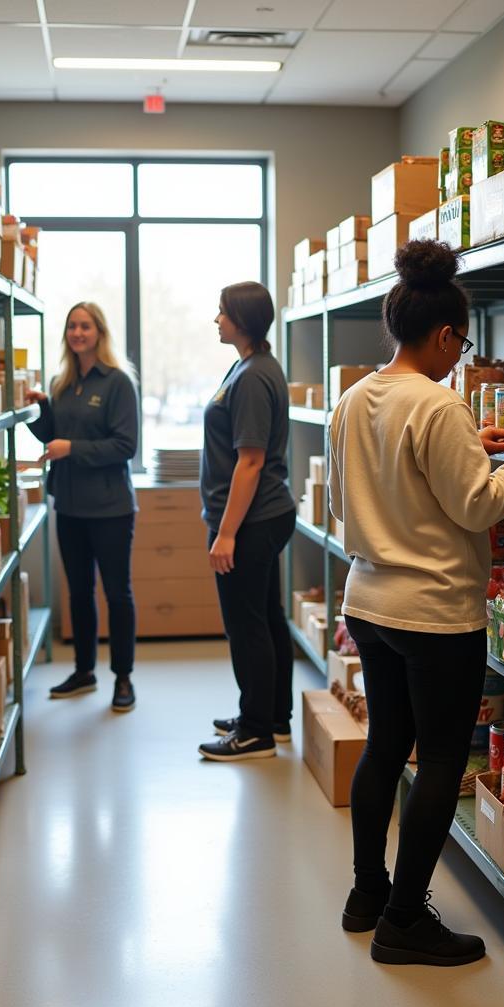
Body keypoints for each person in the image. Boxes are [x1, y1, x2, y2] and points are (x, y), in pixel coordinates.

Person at [327, 241, 504, 967]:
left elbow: (348, 498)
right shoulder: (439, 404)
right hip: (434, 615)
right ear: (443, 335)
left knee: (384, 748)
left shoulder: (352, 398)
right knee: (435, 760)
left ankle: (369, 894)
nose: (460, 357)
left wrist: (473, 444)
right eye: (460, 343)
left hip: (369, 602)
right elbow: (474, 506)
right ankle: (406, 921)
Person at [197, 281, 296, 762]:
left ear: (242, 319)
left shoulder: (254, 375)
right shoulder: (249, 366)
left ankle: (256, 732)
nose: (216, 320)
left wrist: (227, 532)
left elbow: (250, 462)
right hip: (263, 515)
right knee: (268, 618)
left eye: (222, 313)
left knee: (246, 624)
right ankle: (273, 716)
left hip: (251, 520)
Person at [26, 302, 140, 712]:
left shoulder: (117, 383)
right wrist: (38, 409)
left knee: (117, 594)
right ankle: (84, 671)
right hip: (70, 507)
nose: (78, 332)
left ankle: (123, 678)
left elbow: (125, 446)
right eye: (72, 326)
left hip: (110, 508)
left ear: (99, 333)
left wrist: (71, 447)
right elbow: (51, 435)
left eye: (85, 326)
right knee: (78, 592)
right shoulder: (62, 382)